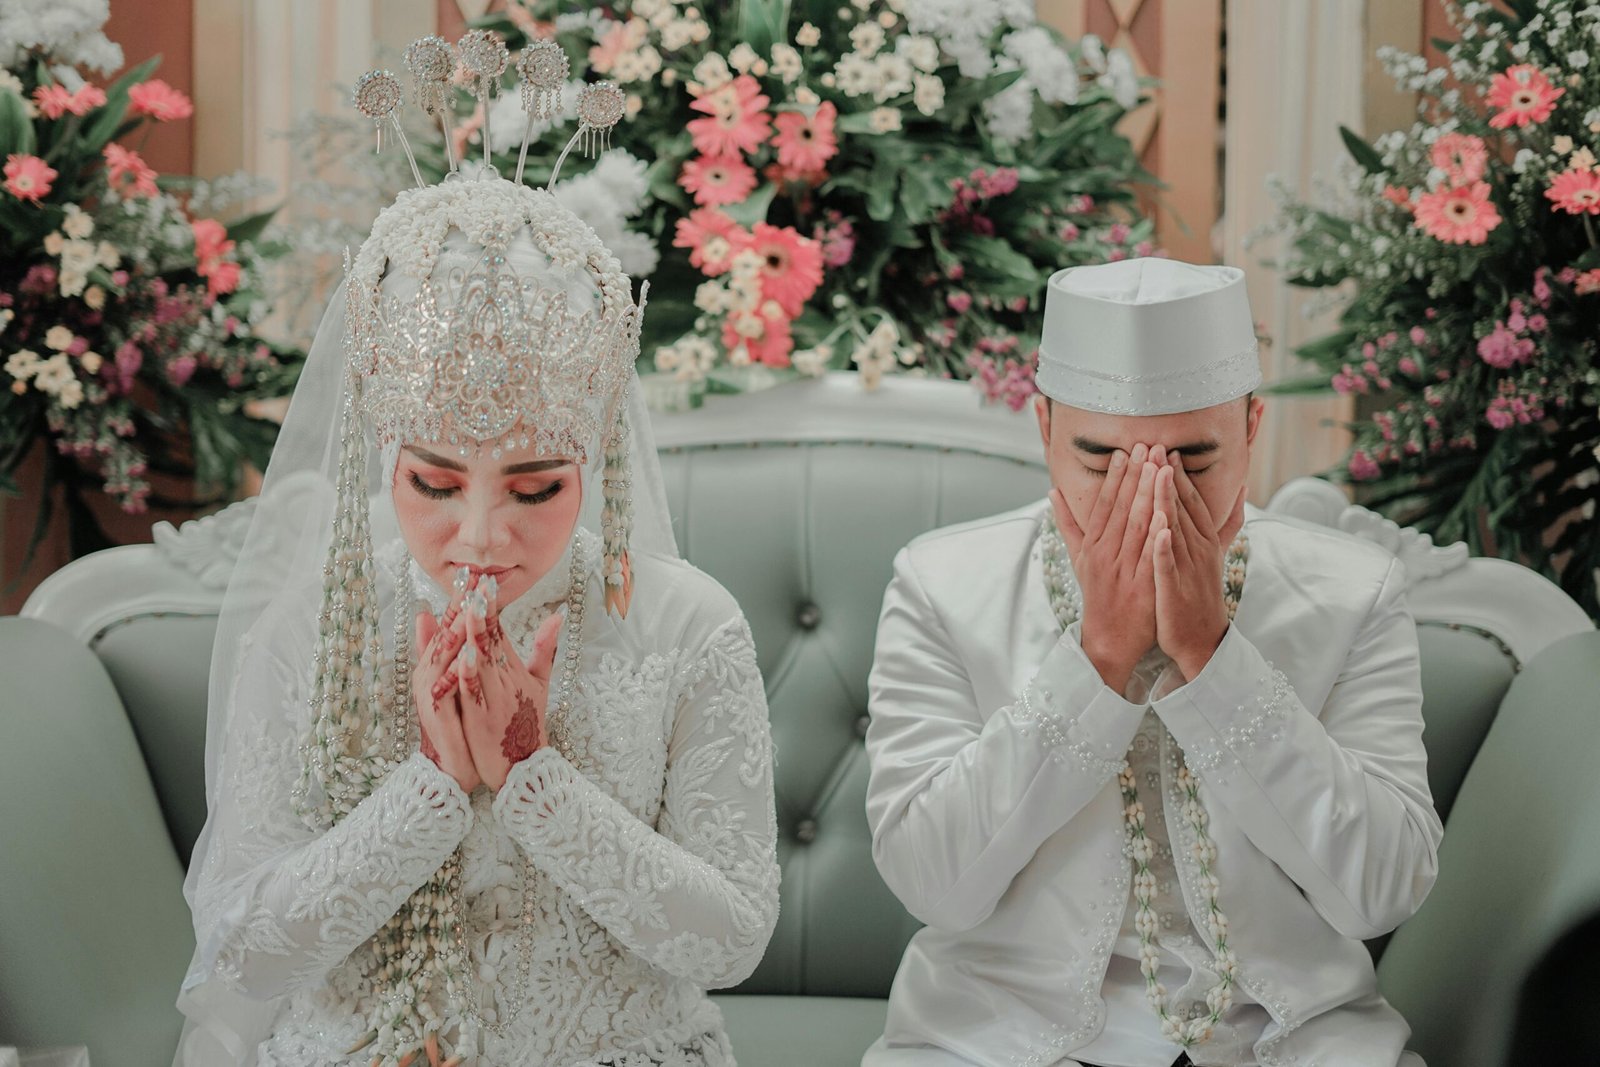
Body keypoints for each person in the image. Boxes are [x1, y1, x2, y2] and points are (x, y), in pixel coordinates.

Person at [176, 43, 778, 1067]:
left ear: (594, 458)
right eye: (436, 483)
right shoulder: (314, 626)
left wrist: (531, 775)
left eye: (537, 487)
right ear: (384, 456)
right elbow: (243, 957)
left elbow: (727, 940)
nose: (483, 536)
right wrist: (431, 787)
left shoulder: (685, 625)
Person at [861, 258, 1440, 1067]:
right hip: (991, 1040)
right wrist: (1096, 660)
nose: (1150, 503)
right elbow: (933, 881)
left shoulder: (1354, 591)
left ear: (1249, 430)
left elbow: (1381, 889)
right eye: (1103, 462)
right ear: (1044, 430)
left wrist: (1213, 660)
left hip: (1295, 1042)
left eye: (1193, 463)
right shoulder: (941, 583)